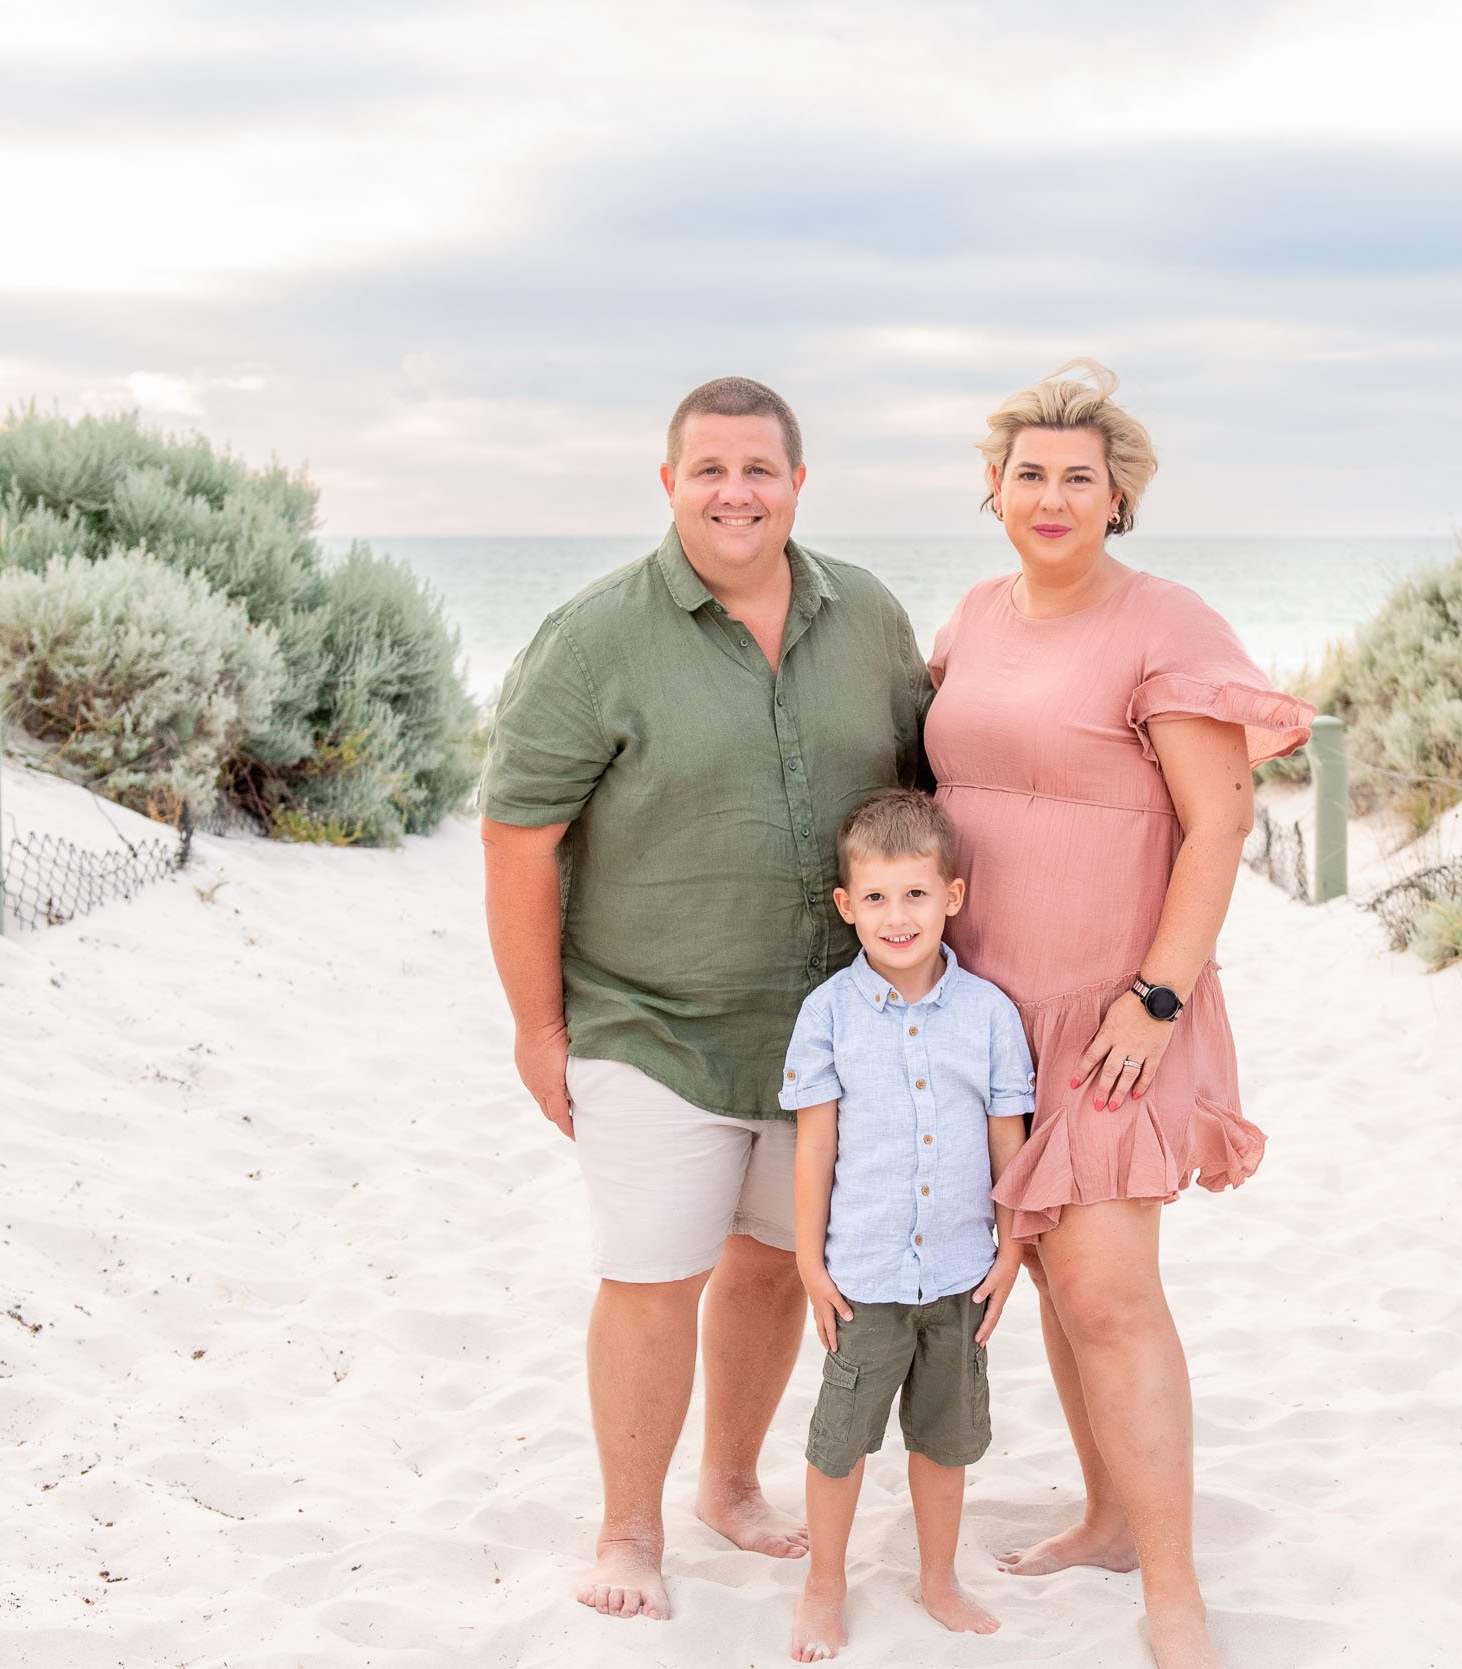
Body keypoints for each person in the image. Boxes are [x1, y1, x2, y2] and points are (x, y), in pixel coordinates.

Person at [480, 376, 932, 1622]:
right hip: (648, 1022)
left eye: (760, 469)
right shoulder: (591, 639)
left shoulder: (871, 616)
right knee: (651, 1270)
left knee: (776, 1263)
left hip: (824, 1026)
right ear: (669, 482)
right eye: (710, 469)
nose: (736, 491)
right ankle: (628, 1528)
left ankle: (728, 1485)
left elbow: (926, 792)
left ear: (798, 483)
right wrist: (536, 1027)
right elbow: (518, 835)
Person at [924, 360, 1313, 1669]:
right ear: (994, 489)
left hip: (1113, 1007)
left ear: (1118, 495)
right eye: (1028, 473)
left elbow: (1219, 824)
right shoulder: (974, 616)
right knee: (1041, 1264)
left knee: (1109, 1291)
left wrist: (1157, 996)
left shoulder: (1166, 623)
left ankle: (1175, 1588)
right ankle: (1103, 1516)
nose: (1050, 495)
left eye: (1077, 477)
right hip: (982, 1007)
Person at [780, 789, 1033, 1662]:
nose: (898, 916)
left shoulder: (991, 1015)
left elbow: (1010, 1138)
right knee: (840, 1442)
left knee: (946, 1437)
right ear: (848, 906)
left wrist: (1014, 1245)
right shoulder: (829, 1016)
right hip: (865, 1278)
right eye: (877, 898)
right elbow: (814, 1149)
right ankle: (824, 1583)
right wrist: (809, 1262)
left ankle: (938, 1577)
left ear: (952, 896)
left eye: (916, 894)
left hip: (962, 1273)